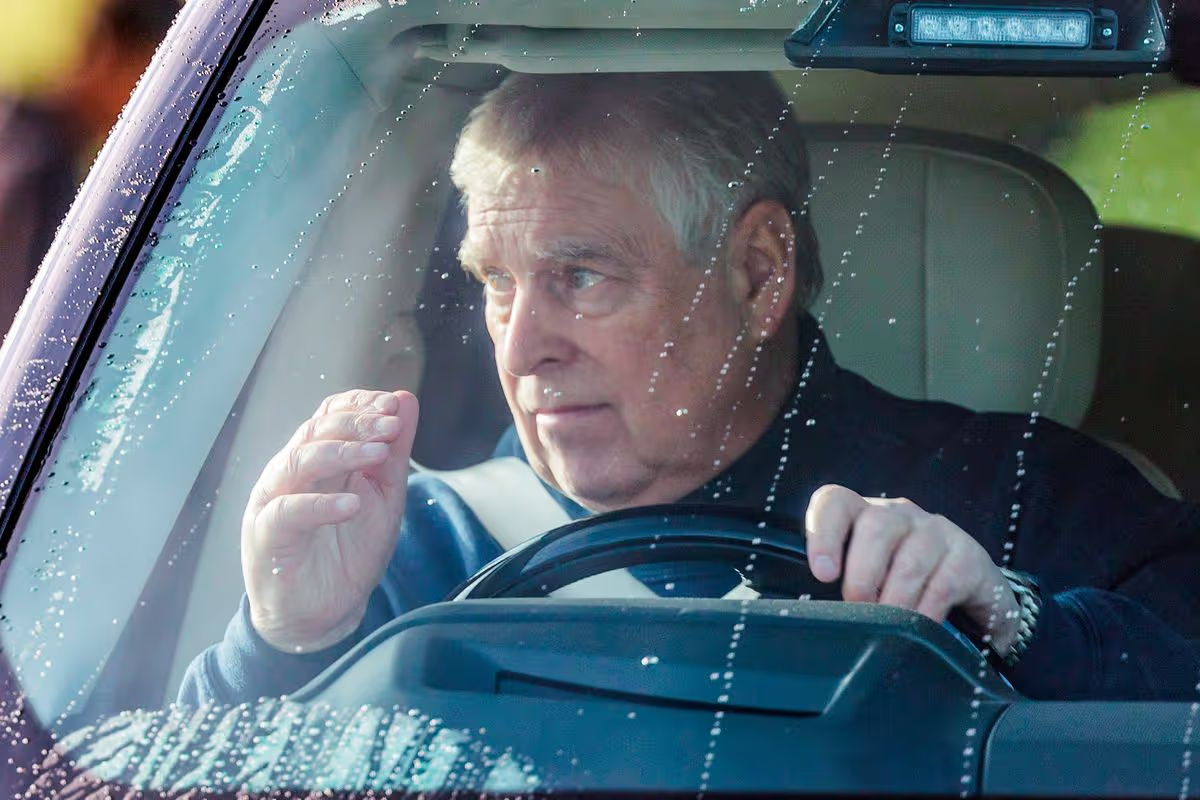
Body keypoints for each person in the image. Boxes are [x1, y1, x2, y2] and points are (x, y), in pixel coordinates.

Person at [180, 72, 1200, 705]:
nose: (521, 349)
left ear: (758, 273)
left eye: (581, 276)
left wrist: (1013, 618)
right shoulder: (403, 545)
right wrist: (282, 645)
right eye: (496, 283)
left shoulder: (1022, 498)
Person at [0, 0, 179, 333]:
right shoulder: (38, 171)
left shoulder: (21, 135)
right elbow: (28, 329)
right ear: (112, 54)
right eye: (152, 78)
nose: (161, 107)